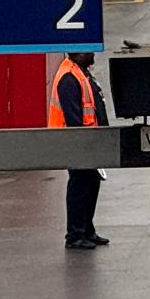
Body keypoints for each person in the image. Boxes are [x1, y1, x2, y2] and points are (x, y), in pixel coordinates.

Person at [50, 51, 110, 250]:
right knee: (79, 185)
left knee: (91, 184)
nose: (92, 53)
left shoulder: (80, 71)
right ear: (76, 52)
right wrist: (83, 142)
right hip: (76, 143)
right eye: (87, 51)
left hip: (89, 141)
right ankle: (75, 234)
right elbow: (73, 117)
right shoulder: (68, 77)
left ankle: (87, 229)